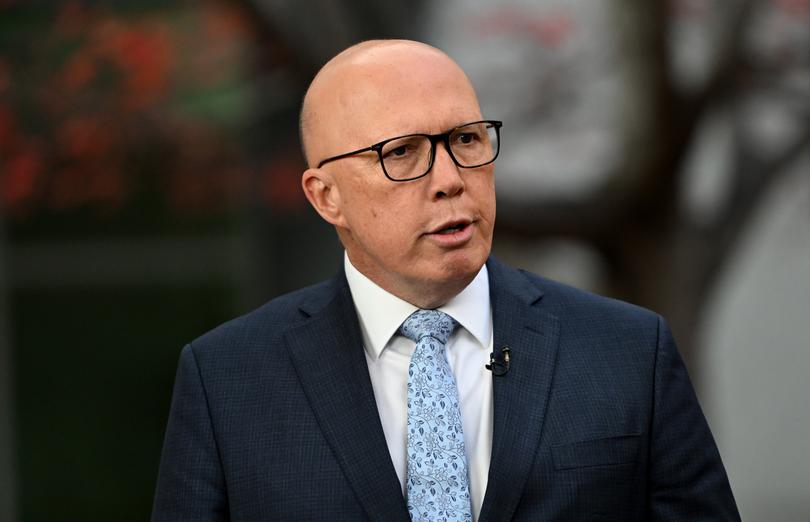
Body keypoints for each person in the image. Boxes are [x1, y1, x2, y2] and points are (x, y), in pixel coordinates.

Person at [152, 39, 740, 521]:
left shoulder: (628, 353)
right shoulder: (228, 379)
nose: (450, 179)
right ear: (326, 196)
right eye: (401, 152)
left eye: (466, 139)